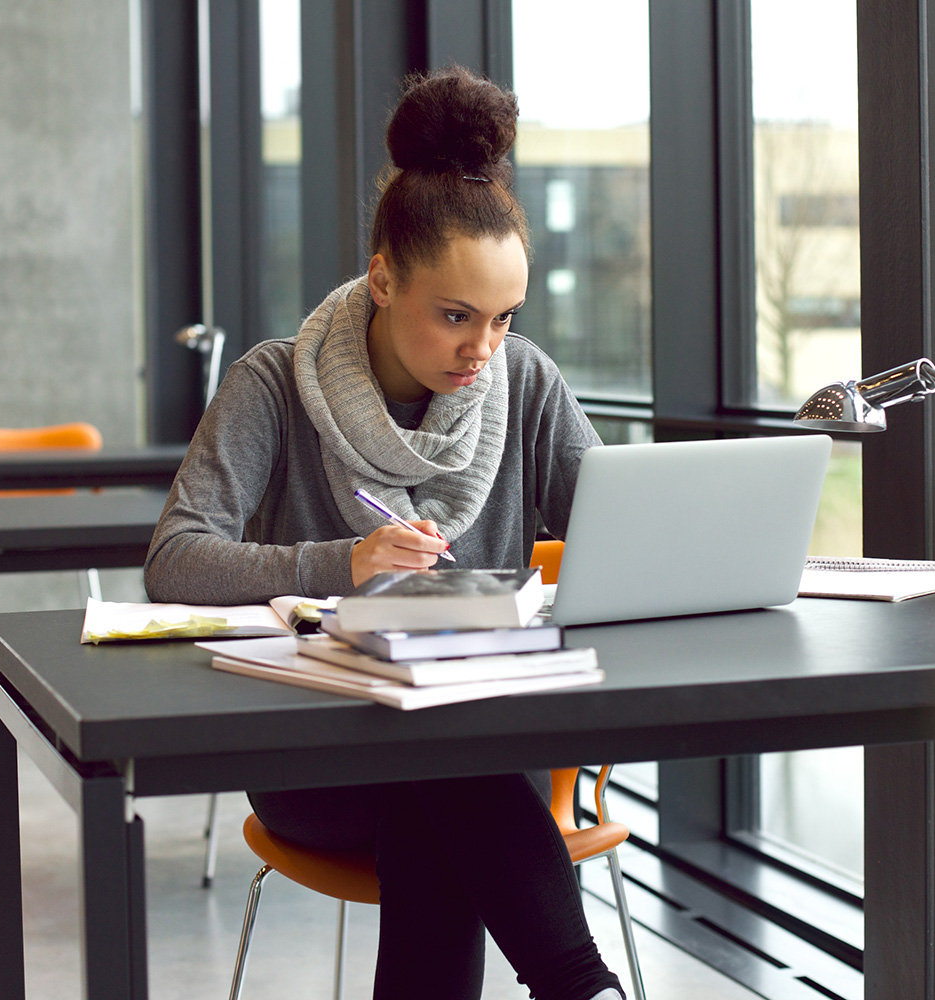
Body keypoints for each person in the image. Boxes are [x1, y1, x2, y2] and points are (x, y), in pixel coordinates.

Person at [145, 65, 624, 1000]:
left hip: (480, 750)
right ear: (382, 279)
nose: (481, 350)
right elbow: (175, 561)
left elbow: (617, 534)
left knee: (439, 770)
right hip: (317, 762)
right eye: (455, 316)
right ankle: (578, 984)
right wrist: (345, 562)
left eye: (502, 319)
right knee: (441, 774)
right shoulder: (271, 385)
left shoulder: (523, 382)